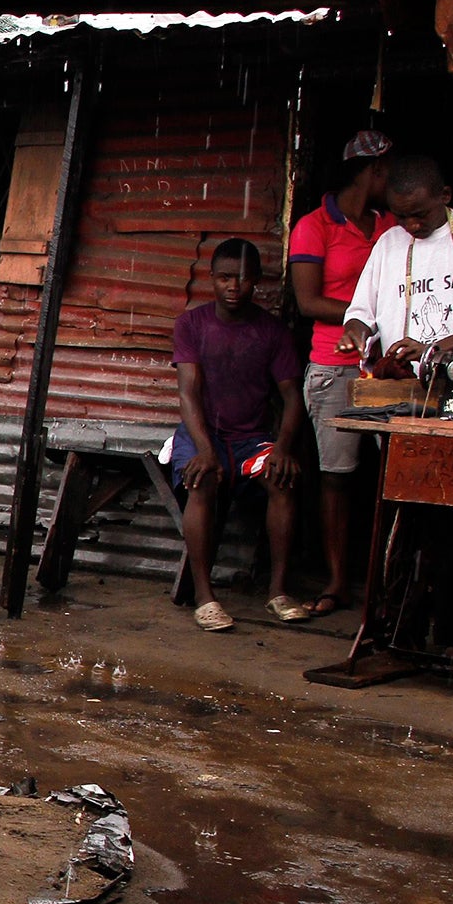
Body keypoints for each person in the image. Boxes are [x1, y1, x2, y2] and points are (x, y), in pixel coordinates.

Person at [170, 238, 307, 632]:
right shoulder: (192, 325)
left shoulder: (272, 332)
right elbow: (188, 393)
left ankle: (278, 591)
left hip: (251, 438)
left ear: (257, 282)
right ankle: (204, 597)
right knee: (202, 480)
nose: (234, 287)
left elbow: (292, 398)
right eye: (226, 278)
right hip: (202, 434)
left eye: (244, 279)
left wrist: (282, 448)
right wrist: (205, 450)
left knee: (282, 479)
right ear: (211, 279)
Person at [288, 131, 393, 617]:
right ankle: (336, 581)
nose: (390, 181)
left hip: (387, 369)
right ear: (370, 173)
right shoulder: (314, 226)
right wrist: (367, 318)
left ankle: (387, 583)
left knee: (392, 478)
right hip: (334, 366)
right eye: (386, 172)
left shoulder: (392, 225)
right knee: (337, 478)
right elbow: (307, 301)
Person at [341, 155, 453, 390]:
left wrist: (434, 348)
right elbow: (361, 313)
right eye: (402, 217)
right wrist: (354, 331)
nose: (412, 225)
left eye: (420, 214)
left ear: (445, 195)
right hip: (403, 391)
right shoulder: (389, 243)